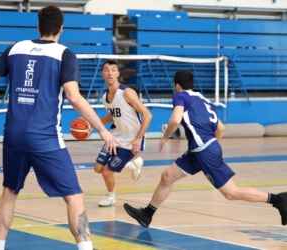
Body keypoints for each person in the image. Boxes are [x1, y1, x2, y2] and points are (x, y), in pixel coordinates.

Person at [0, 6, 122, 250]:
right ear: (61, 29)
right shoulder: (64, 54)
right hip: (45, 138)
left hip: (13, 136)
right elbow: (74, 97)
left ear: (37, 27)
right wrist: (103, 129)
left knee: (9, 191)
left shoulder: (15, 49)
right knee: (74, 196)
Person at [123, 70, 287, 228]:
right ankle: (147, 214)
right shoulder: (205, 101)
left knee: (231, 193)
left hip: (204, 151)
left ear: (177, 86)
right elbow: (221, 128)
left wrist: (165, 136)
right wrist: (211, 145)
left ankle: (279, 200)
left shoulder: (180, 96)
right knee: (167, 176)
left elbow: (175, 120)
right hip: (199, 150)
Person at [94, 60, 152, 207]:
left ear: (118, 74)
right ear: (102, 74)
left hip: (131, 140)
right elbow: (114, 115)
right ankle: (134, 163)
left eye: (113, 70)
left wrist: (138, 138)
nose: (110, 73)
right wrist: (96, 123)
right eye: (106, 70)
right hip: (115, 137)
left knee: (107, 171)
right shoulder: (105, 97)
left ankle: (110, 196)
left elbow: (147, 115)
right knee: (98, 168)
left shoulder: (127, 93)